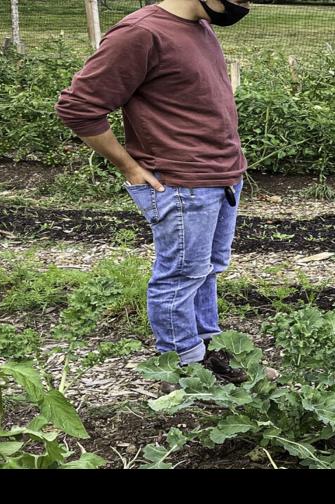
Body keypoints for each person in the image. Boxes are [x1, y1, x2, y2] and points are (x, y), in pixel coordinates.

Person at [56, 0, 256, 382]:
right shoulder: (141, 33)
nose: (244, 5)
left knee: (206, 271)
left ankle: (205, 346)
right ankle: (185, 369)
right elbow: (78, 107)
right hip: (182, 184)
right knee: (180, 277)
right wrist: (129, 166)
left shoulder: (200, 25)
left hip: (222, 177)